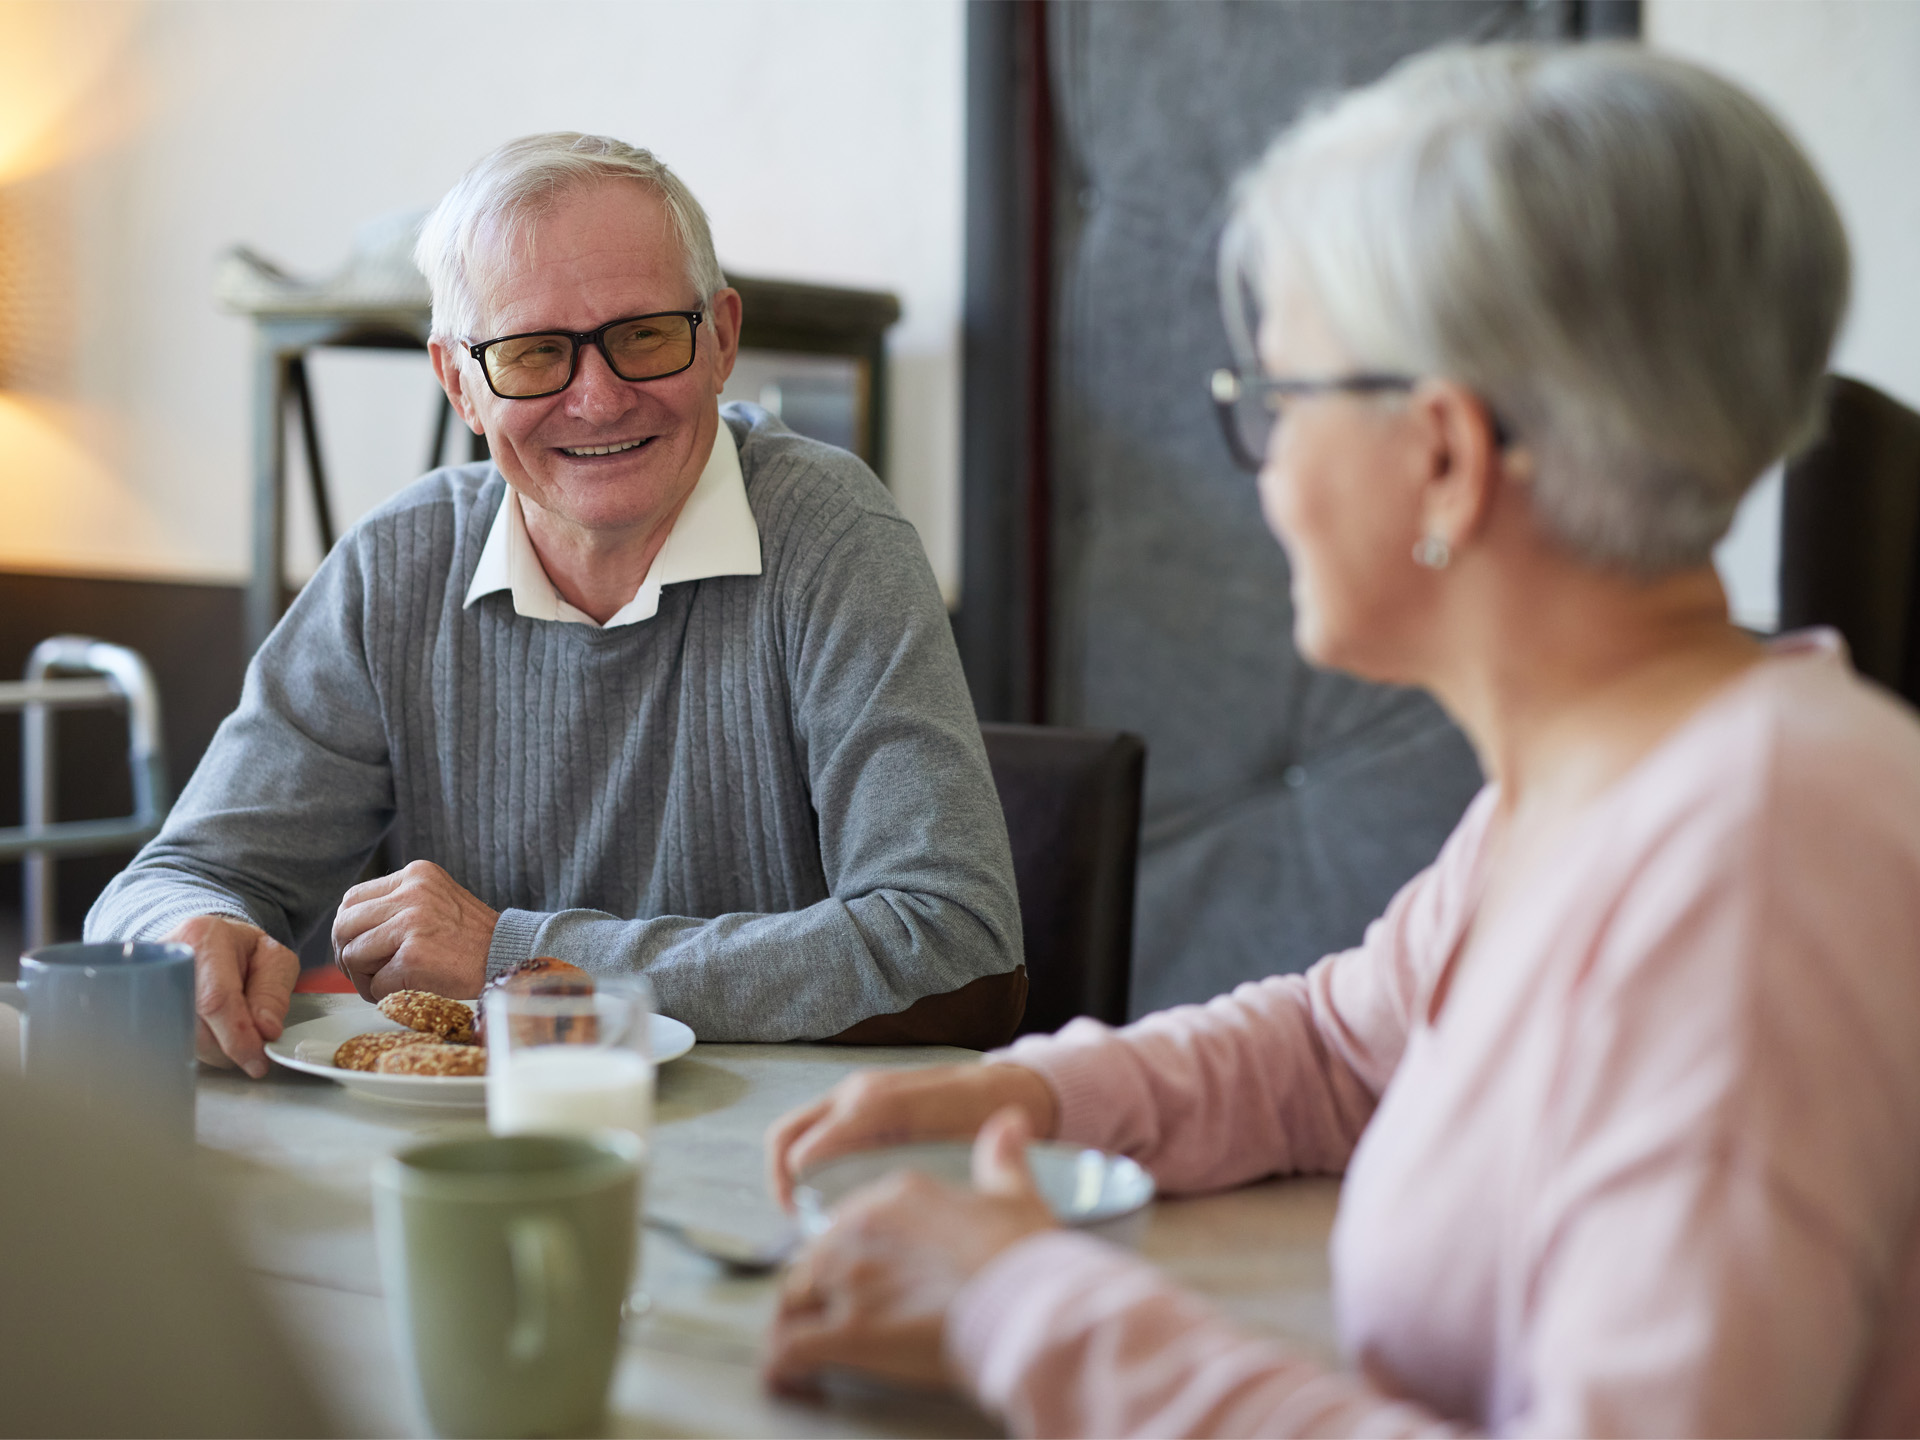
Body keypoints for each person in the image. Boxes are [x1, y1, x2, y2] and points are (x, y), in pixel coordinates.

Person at [761, 43, 1920, 1437]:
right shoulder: (1596, 781)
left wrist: (1024, 1308)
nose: (1271, 470)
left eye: (1281, 402)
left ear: (1443, 453)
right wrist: (1026, 1097)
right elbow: (1338, 1049)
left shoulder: (1754, 871)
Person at [86, 134, 1026, 1074]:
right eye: (535, 354)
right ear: (460, 381)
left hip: (774, 1157)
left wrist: (523, 961)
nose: (599, 398)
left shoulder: (834, 539)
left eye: (645, 335)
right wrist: (186, 932)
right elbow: (181, 875)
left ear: (722, 338)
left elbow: (959, 959)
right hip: (460, 1156)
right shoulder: (399, 564)